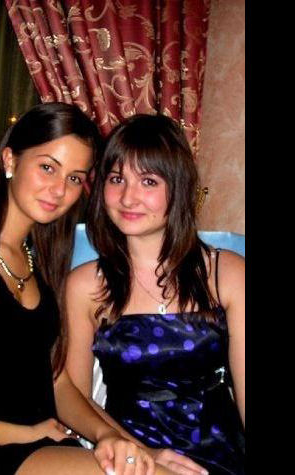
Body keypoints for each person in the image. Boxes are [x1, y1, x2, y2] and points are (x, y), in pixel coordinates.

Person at [0, 103, 193, 475]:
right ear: (10, 160)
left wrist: (126, 444)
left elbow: (57, 382)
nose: (59, 189)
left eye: (75, 178)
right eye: (48, 167)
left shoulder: (41, 261)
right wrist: (22, 434)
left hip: (33, 448)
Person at [65, 114, 245, 475]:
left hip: (219, 452)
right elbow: (75, 398)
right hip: (128, 455)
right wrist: (139, 451)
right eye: (117, 179)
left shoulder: (227, 273)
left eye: (148, 181)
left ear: (178, 188)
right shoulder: (84, 285)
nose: (128, 197)